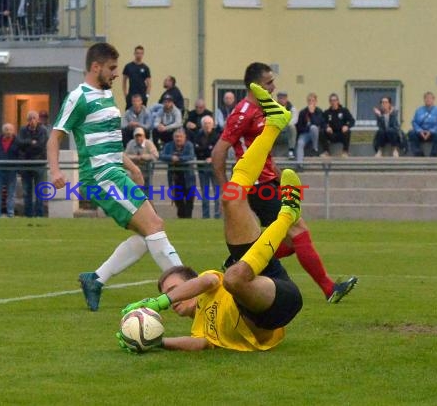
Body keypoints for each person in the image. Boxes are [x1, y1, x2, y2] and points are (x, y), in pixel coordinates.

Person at [119, 84, 304, 352]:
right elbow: (200, 343)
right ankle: (287, 215)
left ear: (190, 284)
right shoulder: (199, 326)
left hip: (263, 280)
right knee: (235, 277)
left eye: (173, 290)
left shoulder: (208, 284)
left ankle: (275, 123)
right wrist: (154, 342)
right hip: (273, 308)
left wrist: (159, 302)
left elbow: (208, 281)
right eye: (168, 292)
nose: (174, 299)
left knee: (230, 196)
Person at [47, 42, 183, 311]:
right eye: (111, 68)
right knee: (154, 225)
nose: (116, 74)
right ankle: (188, 290)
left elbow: (110, 142)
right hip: (101, 177)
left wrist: (131, 167)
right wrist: (55, 171)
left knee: (149, 234)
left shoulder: (107, 95)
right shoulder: (78, 97)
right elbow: (55, 137)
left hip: (116, 173)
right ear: (95, 67)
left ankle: (95, 279)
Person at [212, 62, 357, 303]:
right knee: (298, 230)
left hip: (268, 181)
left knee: (291, 241)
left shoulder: (263, 110)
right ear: (256, 84)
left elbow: (263, 155)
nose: (273, 86)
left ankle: (241, 260)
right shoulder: (243, 111)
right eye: (269, 82)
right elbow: (219, 152)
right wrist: (228, 191)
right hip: (257, 187)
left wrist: (279, 177)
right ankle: (329, 289)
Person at [160, 128, 196, 219]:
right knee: (178, 201)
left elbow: (191, 156)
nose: (178, 139)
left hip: (188, 177)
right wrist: (171, 157)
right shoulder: (168, 145)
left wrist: (179, 159)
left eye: (180, 137)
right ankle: (181, 219)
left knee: (189, 201)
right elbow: (162, 155)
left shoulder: (189, 145)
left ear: (184, 137)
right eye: (176, 137)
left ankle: (188, 220)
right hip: (175, 177)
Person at [18, 110, 48, 217]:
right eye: (30, 119)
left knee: (39, 191)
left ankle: (39, 214)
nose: (32, 121)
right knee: (27, 191)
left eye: (34, 118)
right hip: (25, 165)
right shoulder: (22, 130)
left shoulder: (43, 130)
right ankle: (28, 214)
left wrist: (27, 145)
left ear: (37, 119)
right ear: (27, 120)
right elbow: (19, 143)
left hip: (39, 164)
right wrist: (31, 142)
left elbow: (41, 145)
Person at [0, 123, 19, 218]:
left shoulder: (17, 142)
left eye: (10, 130)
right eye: (6, 129)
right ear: (3, 131)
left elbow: (20, 155)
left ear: (13, 131)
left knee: (11, 194)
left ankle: (10, 214)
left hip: (12, 171)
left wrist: (17, 167)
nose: (8, 132)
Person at [193, 115, 220, 219]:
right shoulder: (197, 136)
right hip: (202, 168)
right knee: (205, 193)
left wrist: (210, 155)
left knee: (216, 192)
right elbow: (197, 150)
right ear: (202, 125)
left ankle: (217, 215)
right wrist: (208, 150)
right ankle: (206, 216)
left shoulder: (217, 136)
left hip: (214, 168)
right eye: (205, 124)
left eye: (209, 123)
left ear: (212, 125)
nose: (207, 125)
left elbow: (217, 150)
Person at [408, 92, 437, 157]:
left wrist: (431, 131)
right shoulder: (419, 110)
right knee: (411, 133)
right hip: (421, 133)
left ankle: (433, 154)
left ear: (433, 99)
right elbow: (414, 122)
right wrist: (420, 131)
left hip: (433, 133)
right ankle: (418, 153)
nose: (428, 100)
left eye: (430, 98)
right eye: (426, 98)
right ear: (424, 99)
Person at [124, 127, 158, 192]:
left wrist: (143, 157)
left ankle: (148, 200)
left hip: (146, 170)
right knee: (134, 189)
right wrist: (135, 157)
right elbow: (125, 156)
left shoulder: (149, 143)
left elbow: (155, 155)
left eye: (140, 136)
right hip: (134, 171)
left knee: (147, 190)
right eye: (137, 136)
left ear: (144, 136)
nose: (138, 138)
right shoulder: (131, 143)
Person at [295, 92, 324, 169]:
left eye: (313, 100)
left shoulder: (319, 111)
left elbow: (319, 123)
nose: (311, 102)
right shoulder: (303, 112)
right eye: (309, 100)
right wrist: (307, 128)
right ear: (307, 101)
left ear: (316, 102)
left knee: (313, 127)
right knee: (300, 143)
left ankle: (315, 148)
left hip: (315, 134)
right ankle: (299, 164)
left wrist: (312, 114)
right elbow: (299, 127)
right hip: (305, 134)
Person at [321, 93, 355, 158]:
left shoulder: (344, 111)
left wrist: (347, 126)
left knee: (348, 131)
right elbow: (322, 122)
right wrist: (326, 127)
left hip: (341, 134)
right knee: (322, 131)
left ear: (338, 101)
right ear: (329, 102)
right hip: (332, 134)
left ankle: (345, 152)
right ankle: (326, 152)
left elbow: (352, 121)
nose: (333, 102)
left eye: (334, 100)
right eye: (331, 101)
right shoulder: (327, 112)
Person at [122, 45, 151, 109]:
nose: (139, 55)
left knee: (142, 116)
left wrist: (147, 96)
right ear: (134, 54)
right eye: (137, 53)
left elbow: (149, 84)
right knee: (129, 114)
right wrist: (125, 95)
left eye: (141, 53)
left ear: (143, 54)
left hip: (142, 95)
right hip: (131, 95)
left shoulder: (145, 68)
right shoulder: (128, 66)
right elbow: (124, 82)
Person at [276, 91, 298, 160]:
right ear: (278, 99)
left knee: (292, 127)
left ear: (286, 99)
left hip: (286, 130)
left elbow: (294, 119)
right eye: (280, 98)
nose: (282, 100)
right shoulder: (273, 107)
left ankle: (291, 151)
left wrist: (285, 124)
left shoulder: (292, 108)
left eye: (283, 98)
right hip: (276, 130)